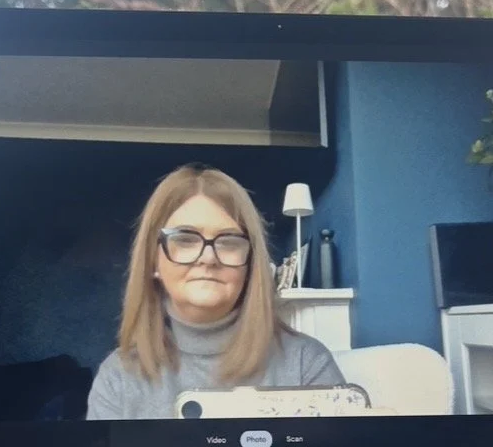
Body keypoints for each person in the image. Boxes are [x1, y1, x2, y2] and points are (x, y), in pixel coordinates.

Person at [87, 164, 344, 420]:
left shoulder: (306, 363)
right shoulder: (117, 378)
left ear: (250, 264)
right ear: (153, 260)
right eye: (185, 239)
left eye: (229, 242)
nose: (208, 258)